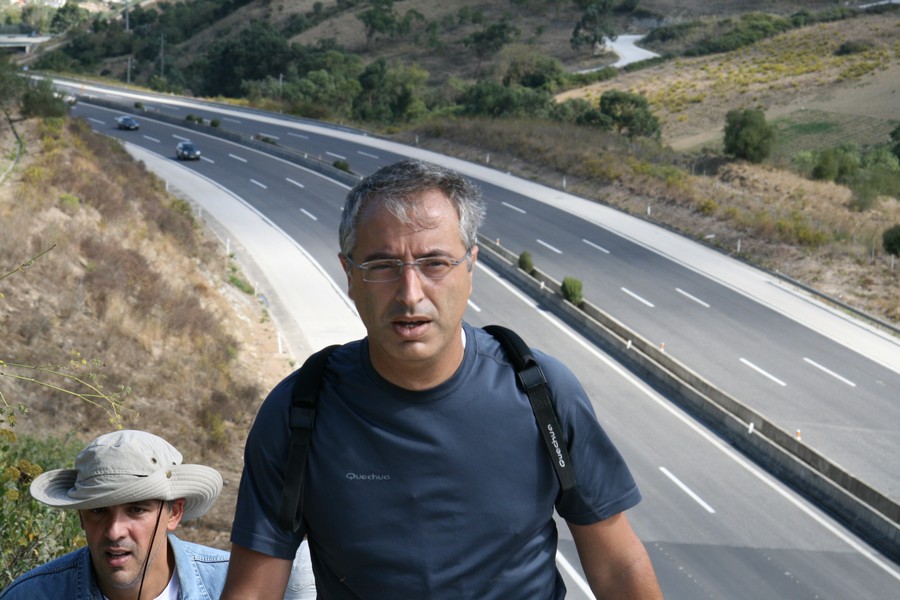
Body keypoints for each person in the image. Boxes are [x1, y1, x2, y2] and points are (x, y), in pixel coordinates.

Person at [223, 158, 663, 599]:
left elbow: (618, 568)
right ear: (350, 275)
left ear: (470, 267)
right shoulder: (298, 411)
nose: (410, 293)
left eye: (434, 263)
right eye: (382, 265)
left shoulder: (541, 394)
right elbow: (254, 591)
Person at [0, 430, 229, 600]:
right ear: (81, 517)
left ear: (174, 513)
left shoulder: (231, 585)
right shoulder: (30, 595)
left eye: (136, 509)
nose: (114, 531)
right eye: (98, 510)